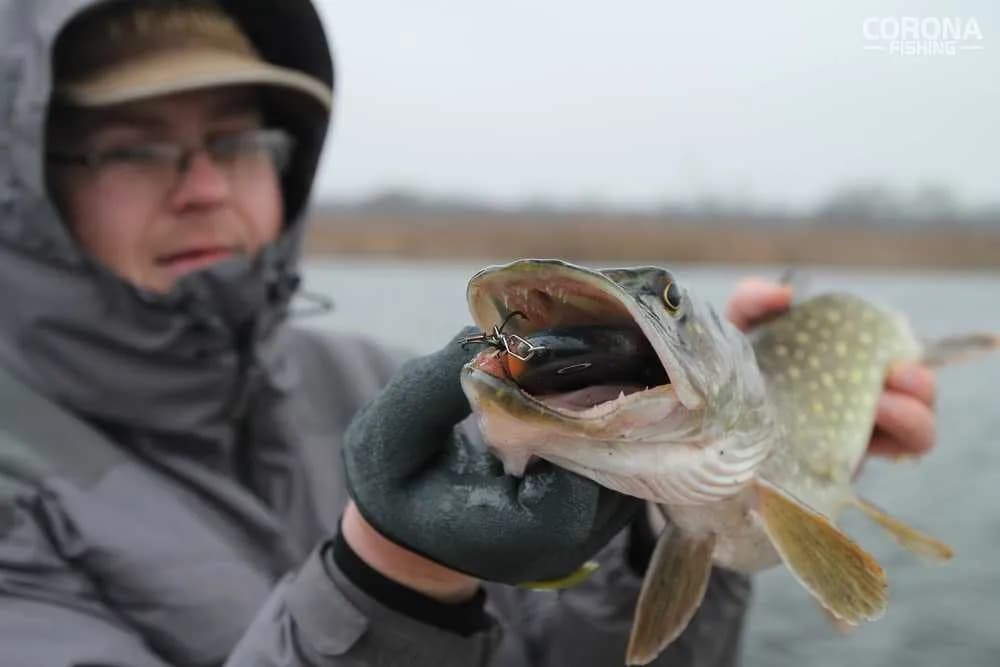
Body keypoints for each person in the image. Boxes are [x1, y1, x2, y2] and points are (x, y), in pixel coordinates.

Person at [0, 1, 938, 665]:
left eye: (238, 140)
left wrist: (682, 513)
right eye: (135, 146)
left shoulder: (372, 379)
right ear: (30, 182)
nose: (205, 186)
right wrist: (388, 579)